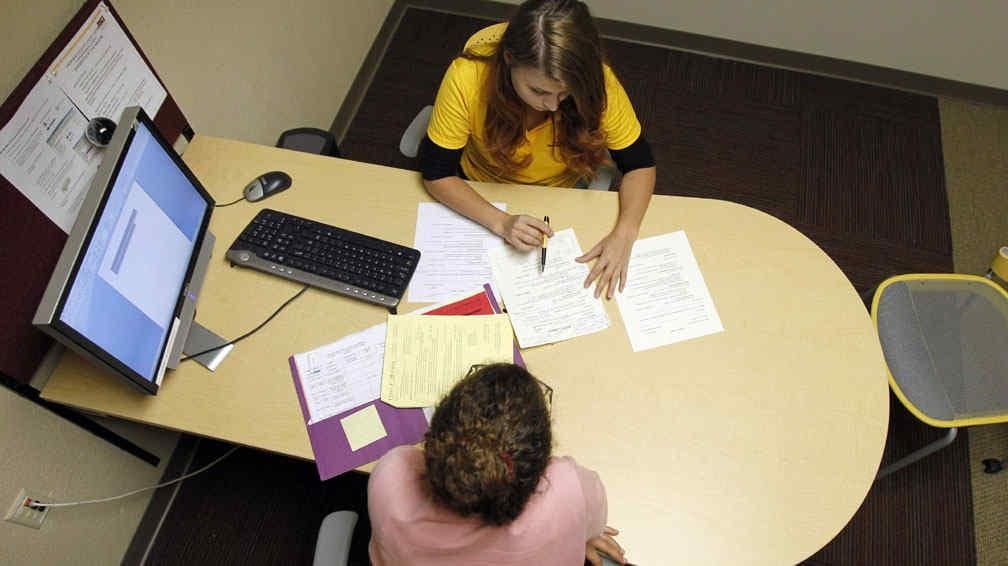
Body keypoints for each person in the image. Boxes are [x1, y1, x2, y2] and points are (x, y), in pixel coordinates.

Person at [420, 0, 656, 300]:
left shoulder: (599, 84)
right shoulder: (467, 78)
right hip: (480, 187)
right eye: (539, 91)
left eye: (565, 92)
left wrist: (625, 232)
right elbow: (437, 174)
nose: (553, 106)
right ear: (509, 60)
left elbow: (639, 164)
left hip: (559, 191)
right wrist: (501, 222)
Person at [367, 363, 627, 565]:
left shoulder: (392, 477)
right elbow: (594, 522)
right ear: (543, 463)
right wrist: (579, 534)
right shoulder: (568, 490)